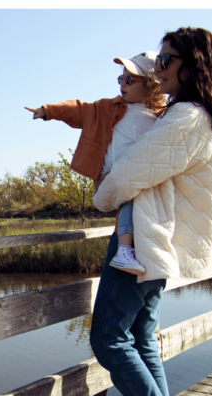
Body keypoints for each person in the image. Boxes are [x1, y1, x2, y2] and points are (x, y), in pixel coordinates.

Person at [90, 27, 212, 396]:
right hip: (157, 237)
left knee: (109, 338)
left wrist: (101, 197)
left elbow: (134, 169)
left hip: (146, 238)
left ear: (193, 67)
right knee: (138, 337)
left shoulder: (188, 116)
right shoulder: (187, 114)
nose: (158, 67)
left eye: (167, 60)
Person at [25, 52, 166, 275]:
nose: (123, 84)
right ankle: (124, 250)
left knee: (136, 203)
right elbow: (80, 110)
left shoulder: (162, 116)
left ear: (151, 86)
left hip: (143, 176)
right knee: (128, 202)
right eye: (121, 78)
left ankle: (125, 249)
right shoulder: (109, 108)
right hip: (114, 174)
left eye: (129, 79)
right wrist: (48, 111)